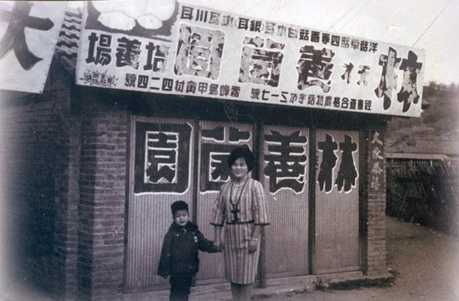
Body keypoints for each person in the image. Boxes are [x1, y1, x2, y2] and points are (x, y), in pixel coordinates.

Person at [211, 145, 269, 301]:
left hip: (248, 235)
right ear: (231, 166)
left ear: (248, 166)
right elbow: (218, 213)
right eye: (235, 164)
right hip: (230, 236)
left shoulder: (255, 186)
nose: (238, 168)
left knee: (247, 276)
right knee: (233, 275)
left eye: (242, 164)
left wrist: (255, 238)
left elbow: (261, 216)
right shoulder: (225, 188)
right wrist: (217, 238)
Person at [158, 200, 221, 301]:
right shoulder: (171, 234)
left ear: (188, 215)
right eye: (178, 216)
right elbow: (165, 252)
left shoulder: (193, 231)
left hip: (189, 270)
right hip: (176, 271)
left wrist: (217, 247)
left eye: (184, 215)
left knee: (185, 292)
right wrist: (164, 270)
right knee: (177, 293)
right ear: (174, 218)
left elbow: (204, 244)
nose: (182, 218)